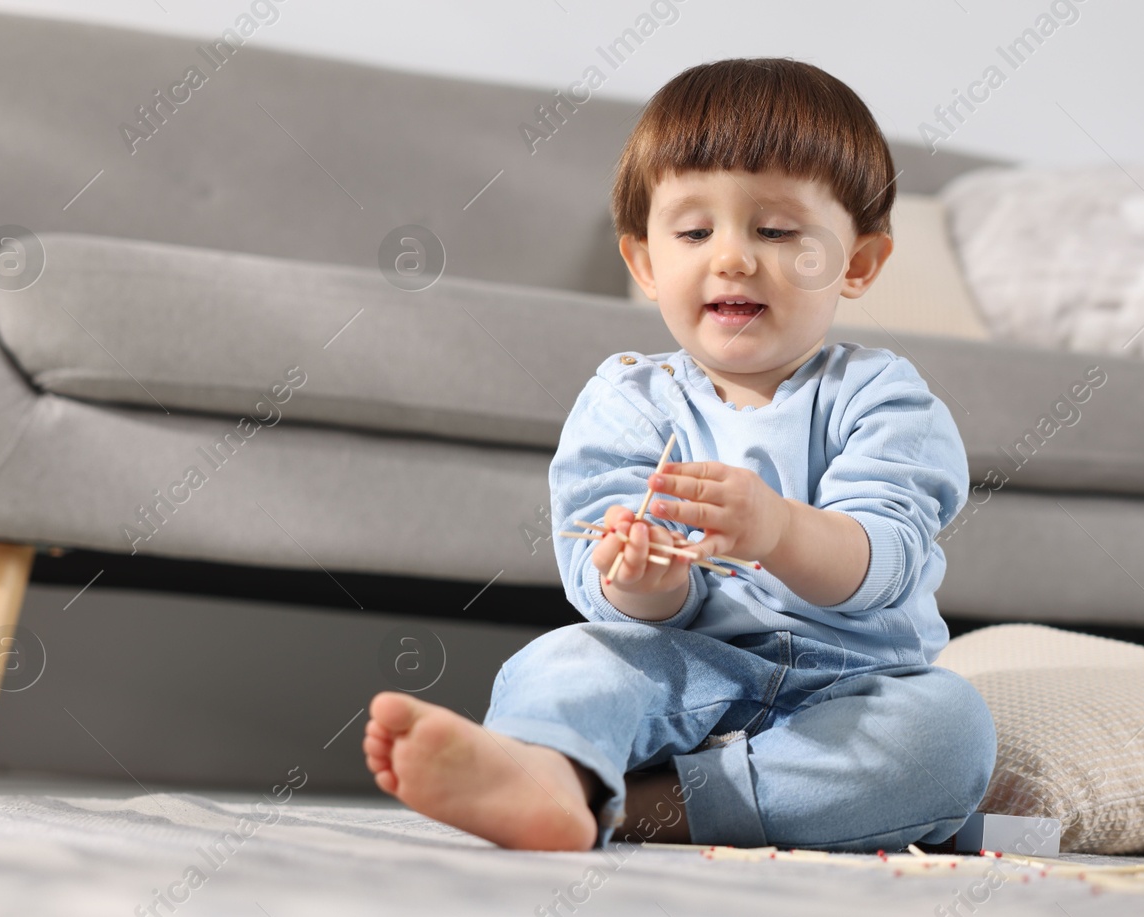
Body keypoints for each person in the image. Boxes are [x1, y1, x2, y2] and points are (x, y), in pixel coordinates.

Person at [363, 57, 996, 853]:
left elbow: (890, 557)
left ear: (858, 262)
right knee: (566, 659)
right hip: (682, 663)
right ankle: (550, 767)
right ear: (647, 263)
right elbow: (602, 580)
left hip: (851, 687)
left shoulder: (883, 397)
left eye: (775, 230)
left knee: (949, 733)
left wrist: (778, 530)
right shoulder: (627, 401)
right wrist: (646, 585)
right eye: (695, 232)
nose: (732, 257)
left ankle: (640, 806)